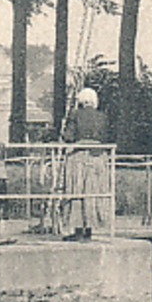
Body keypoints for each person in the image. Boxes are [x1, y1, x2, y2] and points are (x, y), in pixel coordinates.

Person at [60, 88, 111, 241]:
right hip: (98, 157)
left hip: (79, 156)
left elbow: (68, 136)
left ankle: (77, 230)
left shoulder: (75, 114)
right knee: (93, 191)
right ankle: (89, 229)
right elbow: (105, 136)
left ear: (80, 100)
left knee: (77, 190)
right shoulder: (102, 116)